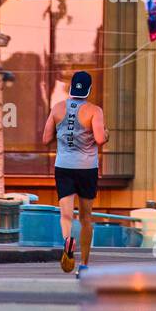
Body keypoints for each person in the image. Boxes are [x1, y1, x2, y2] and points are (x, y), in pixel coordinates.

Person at [41, 70, 109, 276]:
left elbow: (45, 139)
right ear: (88, 89)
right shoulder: (94, 110)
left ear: (71, 87)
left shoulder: (57, 108)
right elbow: (99, 139)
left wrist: (63, 133)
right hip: (87, 169)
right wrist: (107, 134)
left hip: (64, 166)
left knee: (66, 214)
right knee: (86, 218)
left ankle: (68, 240)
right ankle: (84, 265)